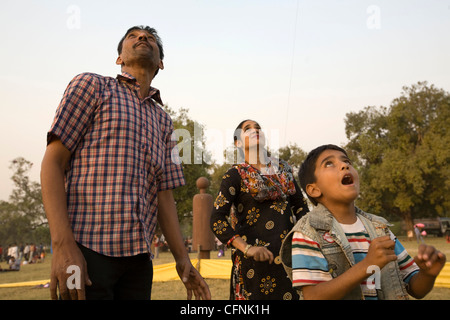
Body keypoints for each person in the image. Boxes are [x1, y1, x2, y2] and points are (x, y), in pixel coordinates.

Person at [40, 25, 210, 300]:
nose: (142, 38)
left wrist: (183, 260)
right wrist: (62, 244)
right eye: (133, 36)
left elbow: (163, 195)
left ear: (161, 63)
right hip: (85, 250)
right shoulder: (91, 86)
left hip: (139, 263)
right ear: (119, 58)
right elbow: (52, 163)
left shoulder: (165, 122)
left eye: (150, 38)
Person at [280, 144, 447, 300]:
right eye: (329, 164)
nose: (344, 165)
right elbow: (313, 295)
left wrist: (427, 274)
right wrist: (367, 265)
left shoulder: (380, 228)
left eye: (346, 161)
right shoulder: (308, 233)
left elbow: (415, 288)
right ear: (314, 189)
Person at [210, 120, 309, 300]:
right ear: (238, 143)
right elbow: (217, 220)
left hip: (290, 261)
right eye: (248, 129)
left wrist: (301, 241)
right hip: (253, 265)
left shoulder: (284, 170)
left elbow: (301, 207)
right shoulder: (234, 175)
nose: (255, 130)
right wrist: (247, 248)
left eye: (258, 128)